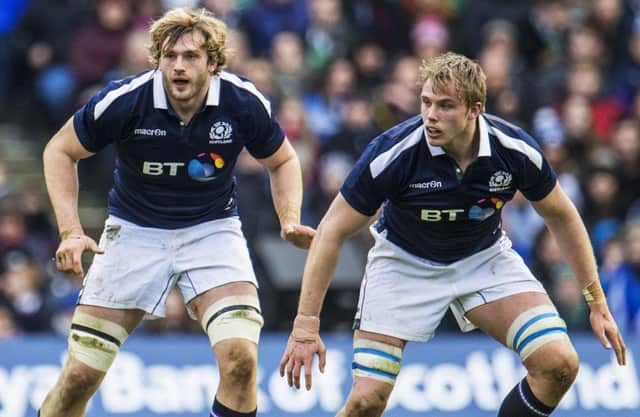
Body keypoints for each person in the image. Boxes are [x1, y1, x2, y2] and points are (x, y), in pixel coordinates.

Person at [279, 52, 626, 417]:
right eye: (426, 102)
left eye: (445, 106)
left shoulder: (515, 151)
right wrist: (305, 325)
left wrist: (596, 302)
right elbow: (331, 230)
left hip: (483, 258)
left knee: (559, 365)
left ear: (475, 109)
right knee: (368, 400)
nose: (430, 115)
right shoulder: (392, 153)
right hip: (403, 263)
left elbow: (563, 216)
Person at [40, 7, 314, 417]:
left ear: (214, 62)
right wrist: (70, 230)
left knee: (240, 361)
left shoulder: (242, 101)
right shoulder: (125, 100)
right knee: (80, 376)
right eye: (169, 57)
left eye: (191, 57)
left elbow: (284, 160)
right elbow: (60, 151)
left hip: (212, 231)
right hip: (133, 232)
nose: (178, 67)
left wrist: (288, 216)